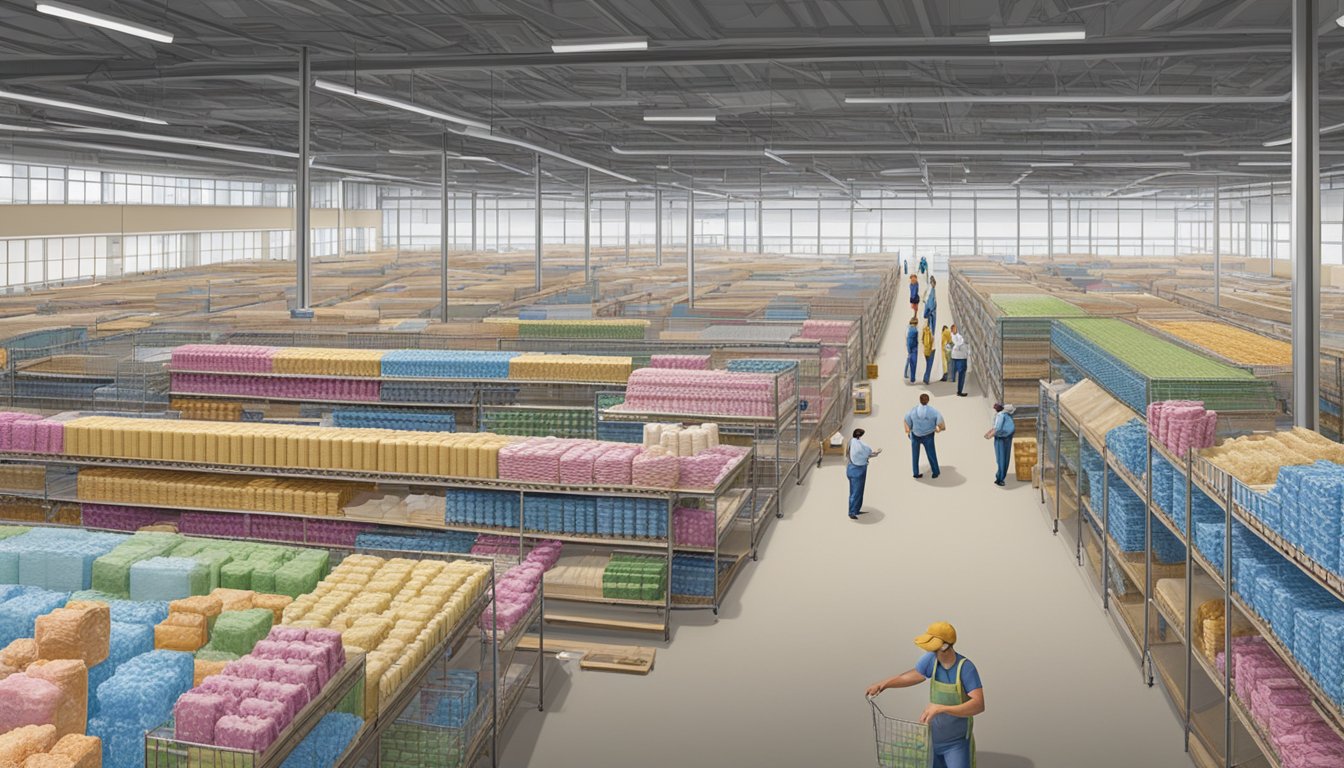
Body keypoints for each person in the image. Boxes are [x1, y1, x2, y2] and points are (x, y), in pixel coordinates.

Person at [866, 622, 985, 768]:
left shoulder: (966, 668)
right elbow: (914, 675)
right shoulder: (931, 660)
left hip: (956, 743)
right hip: (932, 740)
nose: (932, 651)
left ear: (945, 646)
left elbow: (978, 705)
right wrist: (883, 684)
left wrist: (941, 708)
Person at [903, 393, 945, 479]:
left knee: (915, 455)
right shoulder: (933, 411)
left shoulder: (913, 411)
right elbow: (941, 424)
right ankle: (935, 471)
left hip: (915, 435)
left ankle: (915, 473)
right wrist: (939, 429)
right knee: (931, 454)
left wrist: (908, 431)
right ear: (928, 401)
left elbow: (906, 420)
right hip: (928, 435)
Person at [845, 428, 881, 519]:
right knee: (856, 492)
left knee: (857, 491)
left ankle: (856, 509)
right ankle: (852, 512)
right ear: (860, 435)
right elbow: (866, 453)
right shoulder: (859, 445)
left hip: (851, 468)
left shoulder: (850, 442)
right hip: (858, 470)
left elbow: (848, 454)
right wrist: (875, 453)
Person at [985, 403, 1016, 486]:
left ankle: (999, 478)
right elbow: (997, 428)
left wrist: (989, 435)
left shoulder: (1000, 415)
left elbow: (997, 428)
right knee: (1005, 458)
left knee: (1001, 459)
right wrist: (990, 433)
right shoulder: (1006, 415)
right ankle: (1000, 477)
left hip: (1001, 439)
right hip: (1006, 438)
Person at [949, 324, 970, 397]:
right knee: (961, 374)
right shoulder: (956, 337)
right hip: (960, 357)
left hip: (958, 356)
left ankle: (959, 390)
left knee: (960, 373)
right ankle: (960, 391)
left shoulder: (955, 336)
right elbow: (959, 343)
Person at [904, 318, 919, 383]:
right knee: (913, 363)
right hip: (913, 348)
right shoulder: (914, 330)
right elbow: (911, 341)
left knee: (909, 360)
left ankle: (906, 374)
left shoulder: (908, 329)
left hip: (910, 347)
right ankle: (912, 378)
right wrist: (910, 349)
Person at [921, 321, 936, 385]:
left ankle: (926, 378)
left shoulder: (924, 330)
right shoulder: (928, 331)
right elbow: (927, 342)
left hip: (926, 350)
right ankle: (926, 379)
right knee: (929, 365)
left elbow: (922, 340)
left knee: (927, 365)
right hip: (930, 350)